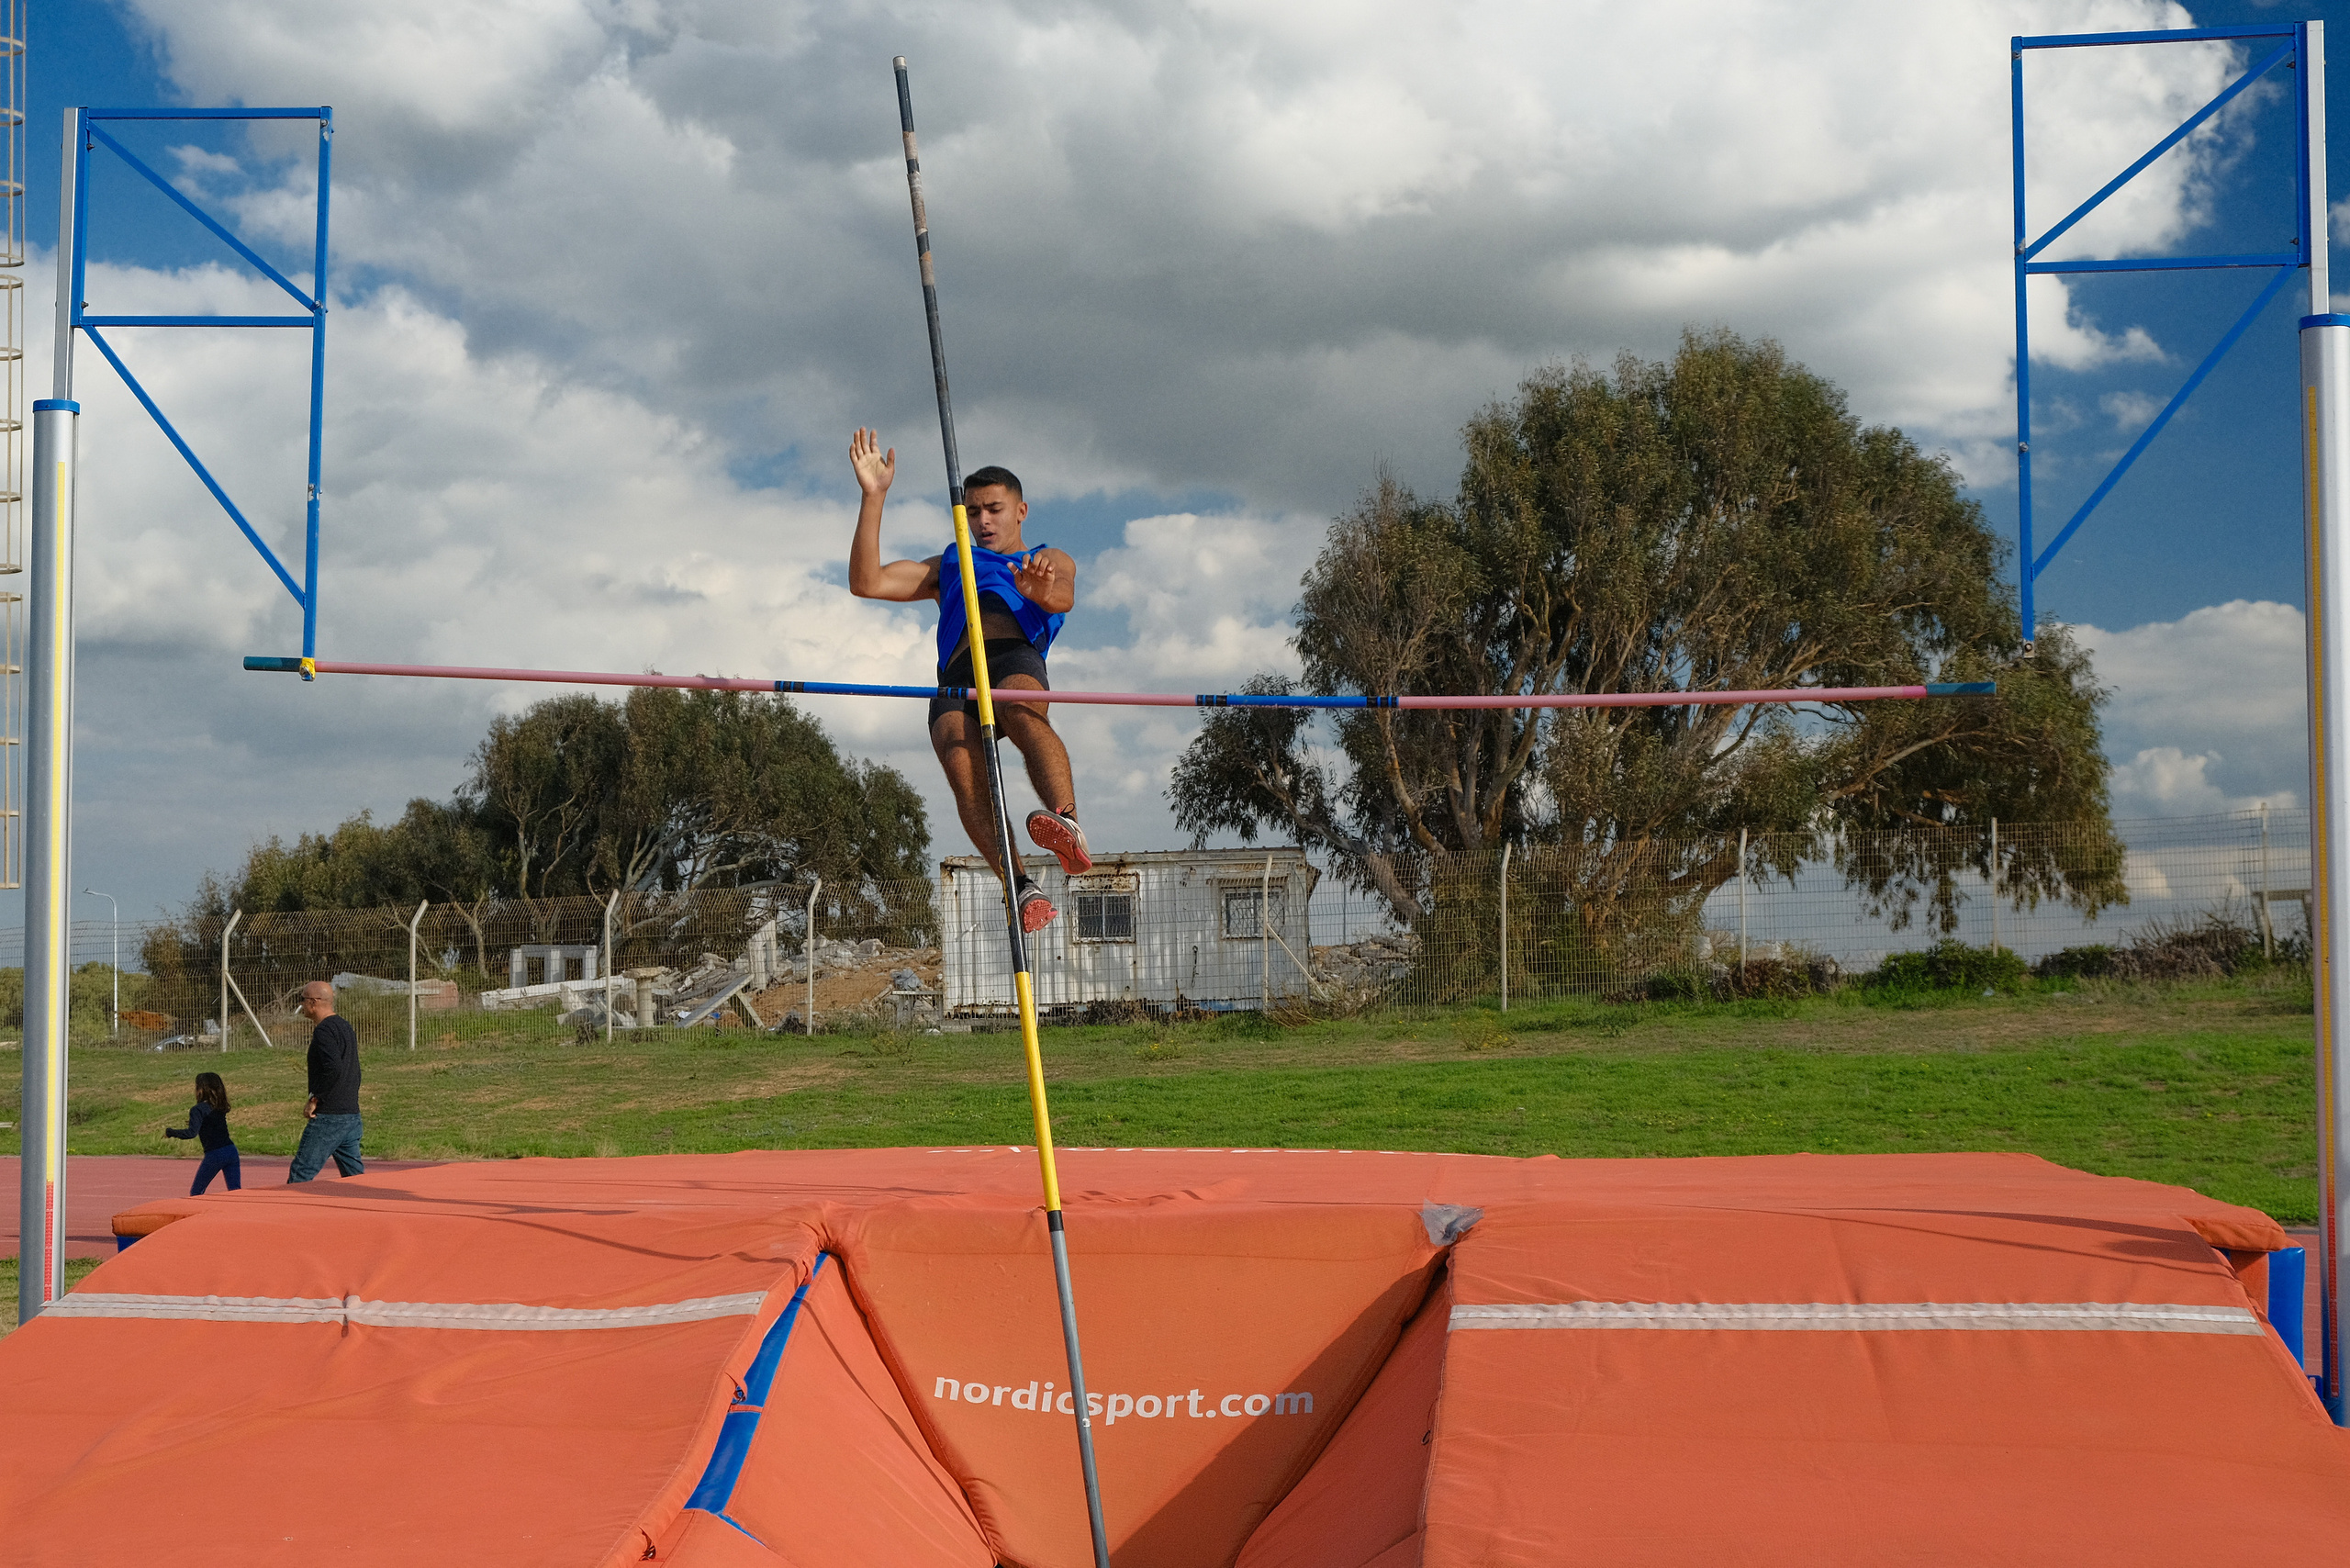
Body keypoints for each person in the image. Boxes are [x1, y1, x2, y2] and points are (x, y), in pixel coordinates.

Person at [847, 429, 1091, 932]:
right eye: (973, 512)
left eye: (994, 509)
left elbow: (1062, 597)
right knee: (964, 774)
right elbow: (866, 582)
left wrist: (1039, 589)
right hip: (955, 675)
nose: (982, 521)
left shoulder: (1048, 557)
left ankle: (1065, 820)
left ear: (1020, 511)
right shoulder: (950, 561)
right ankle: (1019, 883)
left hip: (1010, 655)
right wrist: (875, 497)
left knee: (1023, 715)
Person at [287, 980, 364, 1182]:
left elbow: (334, 1068)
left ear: (313, 1002)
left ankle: (289, 1210)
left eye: (302, 999)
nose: (301, 1004)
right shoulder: (344, 1026)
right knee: (355, 1178)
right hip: (351, 1114)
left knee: (301, 1174)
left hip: (330, 1117)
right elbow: (353, 1070)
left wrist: (315, 1099)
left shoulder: (323, 1031)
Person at [162, 1070, 241, 1195]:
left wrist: (170, 1132)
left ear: (201, 1089)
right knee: (235, 1191)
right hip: (231, 1150)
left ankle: (199, 1214)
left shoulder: (197, 1109)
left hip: (215, 1154)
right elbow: (211, 1124)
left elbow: (191, 1133)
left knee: (196, 1192)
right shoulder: (219, 1107)